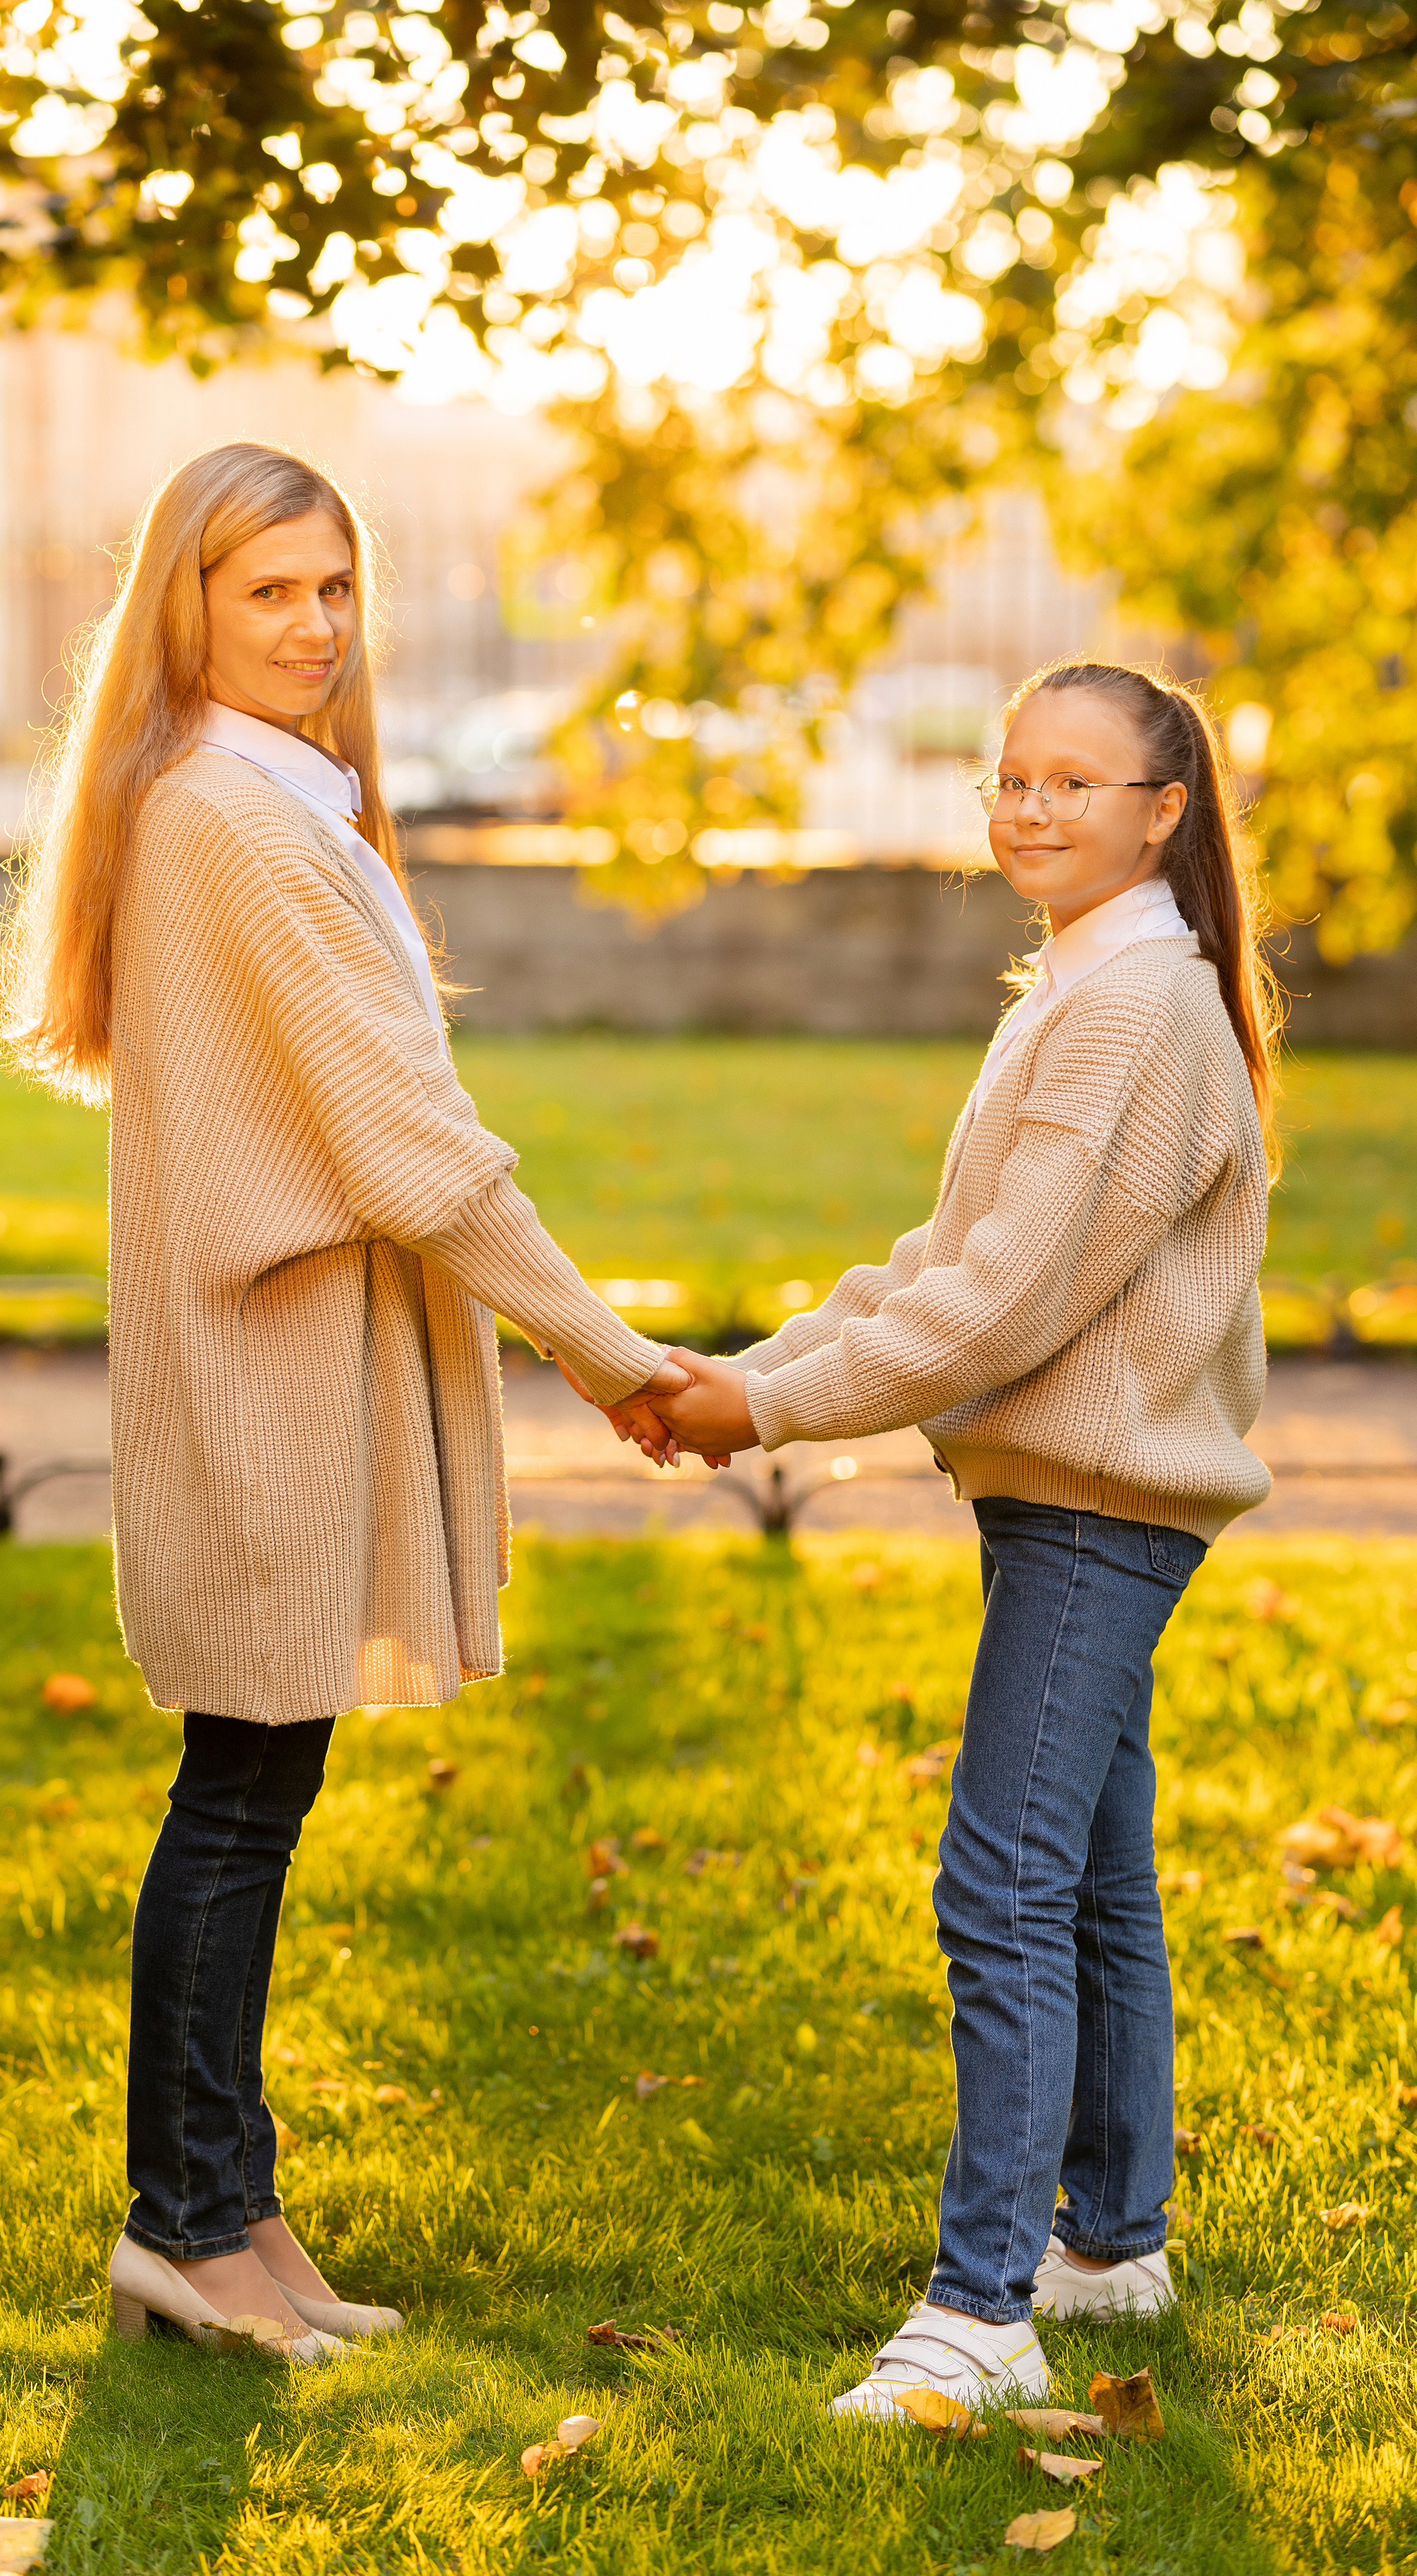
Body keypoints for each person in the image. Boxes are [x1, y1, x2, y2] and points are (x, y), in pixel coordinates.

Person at [0, 440, 687, 2364]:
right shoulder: (235, 814)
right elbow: (417, 1152)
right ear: (187, 611)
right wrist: (612, 1354)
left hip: (285, 1355)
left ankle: (231, 2213)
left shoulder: (273, 803)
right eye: (266, 592)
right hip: (270, 1367)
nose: (311, 627)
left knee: (258, 1784)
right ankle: (185, 2229)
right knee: (237, 1794)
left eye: (331, 589)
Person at [600, 659, 1278, 2416]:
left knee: (999, 1890)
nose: (1031, 808)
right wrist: (747, 1372)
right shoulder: (1086, 987)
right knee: (1092, 1883)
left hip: (1095, 1510)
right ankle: (1112, 2250)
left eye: (1076, 781)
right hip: (1067, 1494)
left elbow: (1003, 1308)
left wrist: (762, 1414)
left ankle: (979, 2315)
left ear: (1164, 811)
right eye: (1011, 777)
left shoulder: (1135, 1011)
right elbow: (938, 1267)